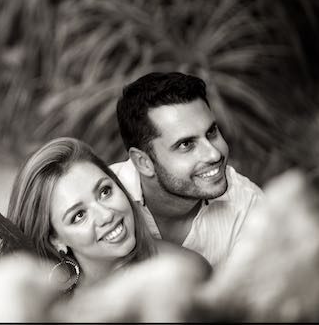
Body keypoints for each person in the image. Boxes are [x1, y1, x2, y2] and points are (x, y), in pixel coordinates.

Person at [6, 137, 208, 292]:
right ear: (55, 239)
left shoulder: (183, 273)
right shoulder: (42, 295)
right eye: (79, 215)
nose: (106, 216)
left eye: (105, 192)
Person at [111, 71, 264, 267]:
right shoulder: (98, 205)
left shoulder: (250, 207)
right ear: (143, 162)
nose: (214, 154)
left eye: (211, 132)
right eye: (186, 144)